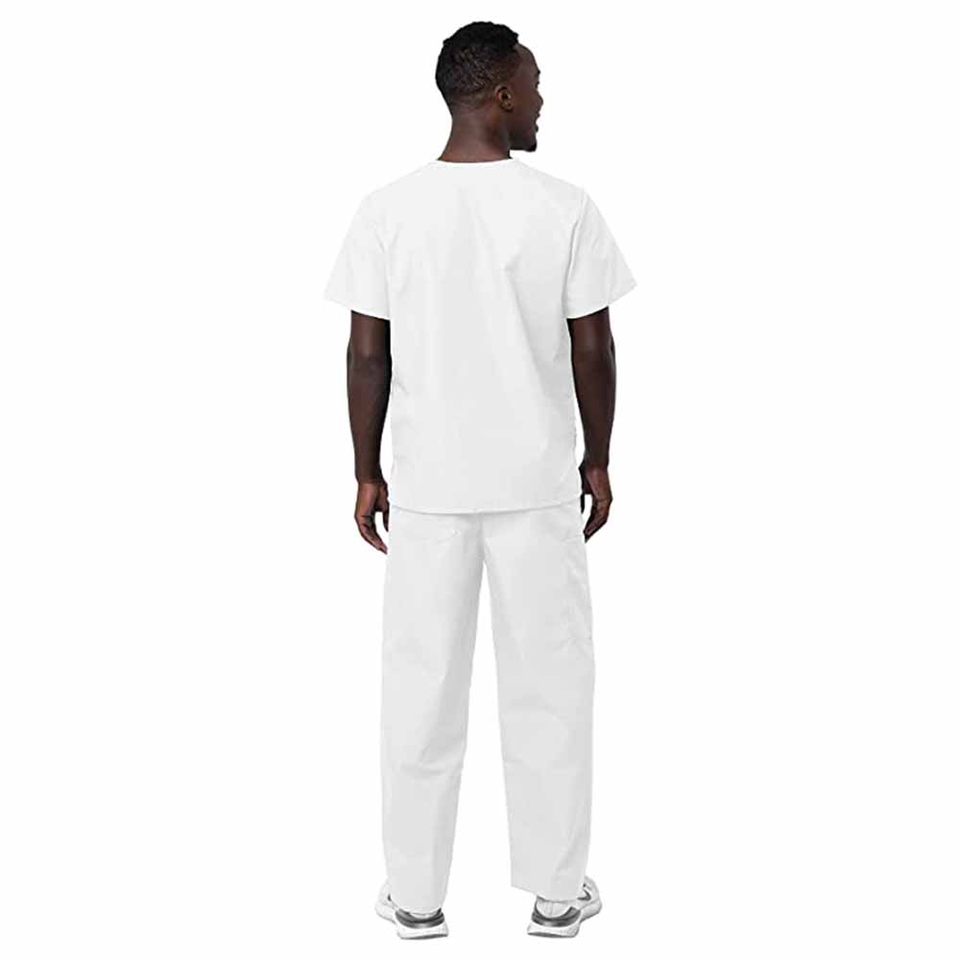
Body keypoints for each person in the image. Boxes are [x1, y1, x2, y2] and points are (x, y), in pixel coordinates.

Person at [324, 21, 636, 940]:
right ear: (499, 94)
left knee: (420, 692)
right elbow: (592, 346)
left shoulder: (388, 210)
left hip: (428, 489)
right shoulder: (563, 207)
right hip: (536, 487)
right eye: (533, 83)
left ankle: (416, 897)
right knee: (551, 688)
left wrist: (366, 469)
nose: (541, 99)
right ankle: (556, 894)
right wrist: (598, 458)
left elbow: (367, 353)